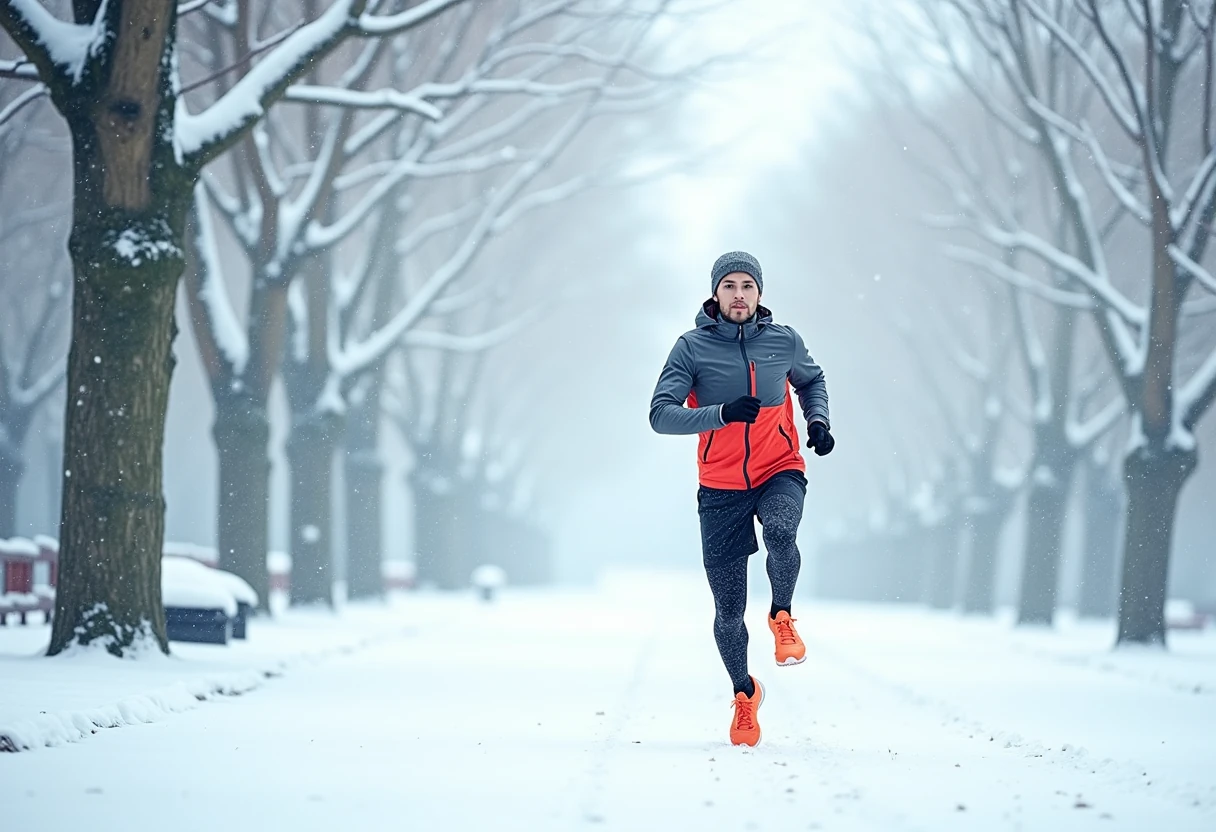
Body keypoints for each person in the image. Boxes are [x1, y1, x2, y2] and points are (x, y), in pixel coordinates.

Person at [648, 250, 833, 747]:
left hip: (780, 467)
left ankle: (783, 617)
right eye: (728, 286)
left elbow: (812, 380)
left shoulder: (783, 341)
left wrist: (817, 421)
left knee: (780, 529)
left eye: (746, 286)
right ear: (715, 293)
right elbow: (661, 415)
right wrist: (721, 413)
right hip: (721, 485)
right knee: (728, 611)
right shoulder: (691, 348)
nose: (738, 295)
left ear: (760, 294)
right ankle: (745, 694)